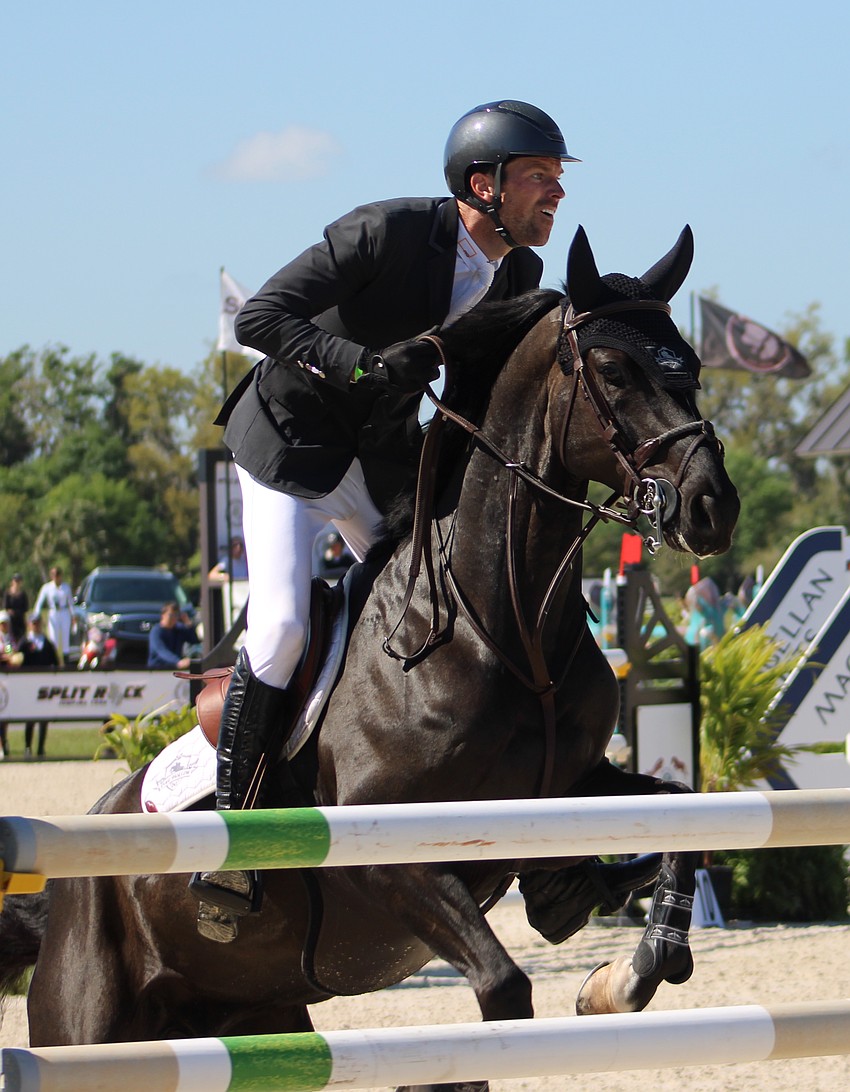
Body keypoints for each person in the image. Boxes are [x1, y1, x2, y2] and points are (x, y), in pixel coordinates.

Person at [195, 99, 580, 941]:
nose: (556, 193)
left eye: (558, 178)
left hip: (375, 462)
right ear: (484, 184)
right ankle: (234, 836)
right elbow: (261, 318)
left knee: (450, 606)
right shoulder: (387, 232)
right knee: (283, 627)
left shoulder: (516, 276)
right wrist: (365, 367)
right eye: (539, 177)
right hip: (289, 448)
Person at [19, 615, 59, 758]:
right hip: (29, 685)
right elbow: (18, 661)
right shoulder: (25, 643)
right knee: (30, 717)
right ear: (29, 624)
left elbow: (55, 662)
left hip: (44, 684)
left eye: (37, 623)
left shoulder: (47, 643)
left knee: (43, 717)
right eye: (33, 623)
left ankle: (41, 748)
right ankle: (28, 747)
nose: (36, 626)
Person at [33, 566, 73, 663]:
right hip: (53, 613)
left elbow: (70, 602)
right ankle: (53, 659)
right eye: (53, 575)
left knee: (65, 637)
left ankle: (66, 659)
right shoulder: (47, 587)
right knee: (53, 637)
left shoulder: (66, 587)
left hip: (64, 612)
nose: (56, 577)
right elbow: (39, 602)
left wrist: (73, 614)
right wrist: (36, 615)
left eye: (57, 574)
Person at [147, 602, 198, 670]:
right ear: (163, 615)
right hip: (157, 669)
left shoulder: (179, 629)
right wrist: (177, 661)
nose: (173, 618)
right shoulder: (156, 632)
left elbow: (194, 640)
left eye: (176, 615)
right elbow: (161, 651)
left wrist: (188, 624)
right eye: (171, 615)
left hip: (174, 668)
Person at [4, 573, 29, 646]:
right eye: (16, 581)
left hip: (20, 620)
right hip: (11, 621)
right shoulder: (8, 593)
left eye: (19, 581)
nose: (17, 583)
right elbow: (6, 606)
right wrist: (10, 611)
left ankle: (21, 651)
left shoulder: (23, 594)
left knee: (21, 639)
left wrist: (19, 612)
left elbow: (26, 607)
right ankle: (8, 652)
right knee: (9, 640)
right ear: (12, 581)